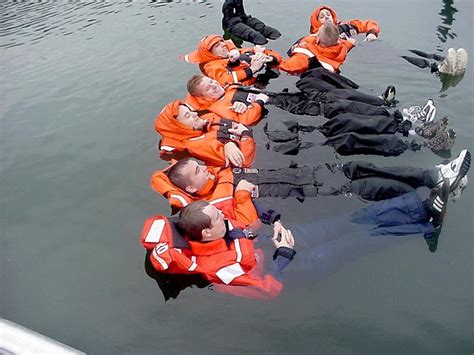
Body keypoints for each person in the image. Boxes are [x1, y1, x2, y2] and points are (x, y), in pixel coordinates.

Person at [151, 150, 471, 211]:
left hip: (314, 173)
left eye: (201, 166)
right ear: (191, 188)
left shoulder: (219, 172)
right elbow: (166, 188)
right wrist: (243, 197)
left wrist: (231, 142)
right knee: (370, 187)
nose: (205, 170)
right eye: (198, 173)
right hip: (313, 195)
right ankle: (435, 193)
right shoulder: (212, 205)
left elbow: (159, 175)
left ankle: (434, 175)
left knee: (362, 165)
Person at [141, 200, 295, 300]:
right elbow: (268, 290)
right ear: (207, 233)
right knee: (318, 256)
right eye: (217, 216)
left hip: (269, 242)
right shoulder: (218, 270)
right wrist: (284, 254)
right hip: (279, 266)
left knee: (316, 229)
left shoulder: (210, 228)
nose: (222, 214)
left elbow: (238, 203)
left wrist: (274, 220)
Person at [155, 100, 255, 167]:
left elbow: (233, 116)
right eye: (187, 116)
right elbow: (244, 160)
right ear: (180, 127)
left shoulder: (206, 120)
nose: (194, 114)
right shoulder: (198, 146)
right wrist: (245, 133)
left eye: (191, 111)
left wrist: (240, 105)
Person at [182, 34, 282, 87]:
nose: (223, 45)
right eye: (217, 46)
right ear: (210, 53)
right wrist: (252, 69)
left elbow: (273, 53)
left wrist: (265, 56)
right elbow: (224, 80)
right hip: (248, 85)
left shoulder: (234, 52)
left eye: (222, 42)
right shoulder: (211, 67)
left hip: (261, 78)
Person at [185, 75, 269, 126]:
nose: (213, 85)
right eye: (208, 88)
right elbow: (245, 121)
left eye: (211, 81)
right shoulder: (220, 107)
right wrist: (260, 101)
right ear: (203, 97)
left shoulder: (229, 87)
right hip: (267, 111)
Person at [280, 22, 354, 75]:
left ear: (318, 39)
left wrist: (273, 58)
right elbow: (350, 43)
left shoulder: (306, 56)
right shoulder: (344, 47)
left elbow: (286, 66)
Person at [309, 5, 380, 42]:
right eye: (322, 17)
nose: (327, 17)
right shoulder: (315, 38)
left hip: (366, 44)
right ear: (316, 22)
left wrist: (372, 33)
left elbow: (369, 24)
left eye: (328, 14)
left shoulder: (346, 25)